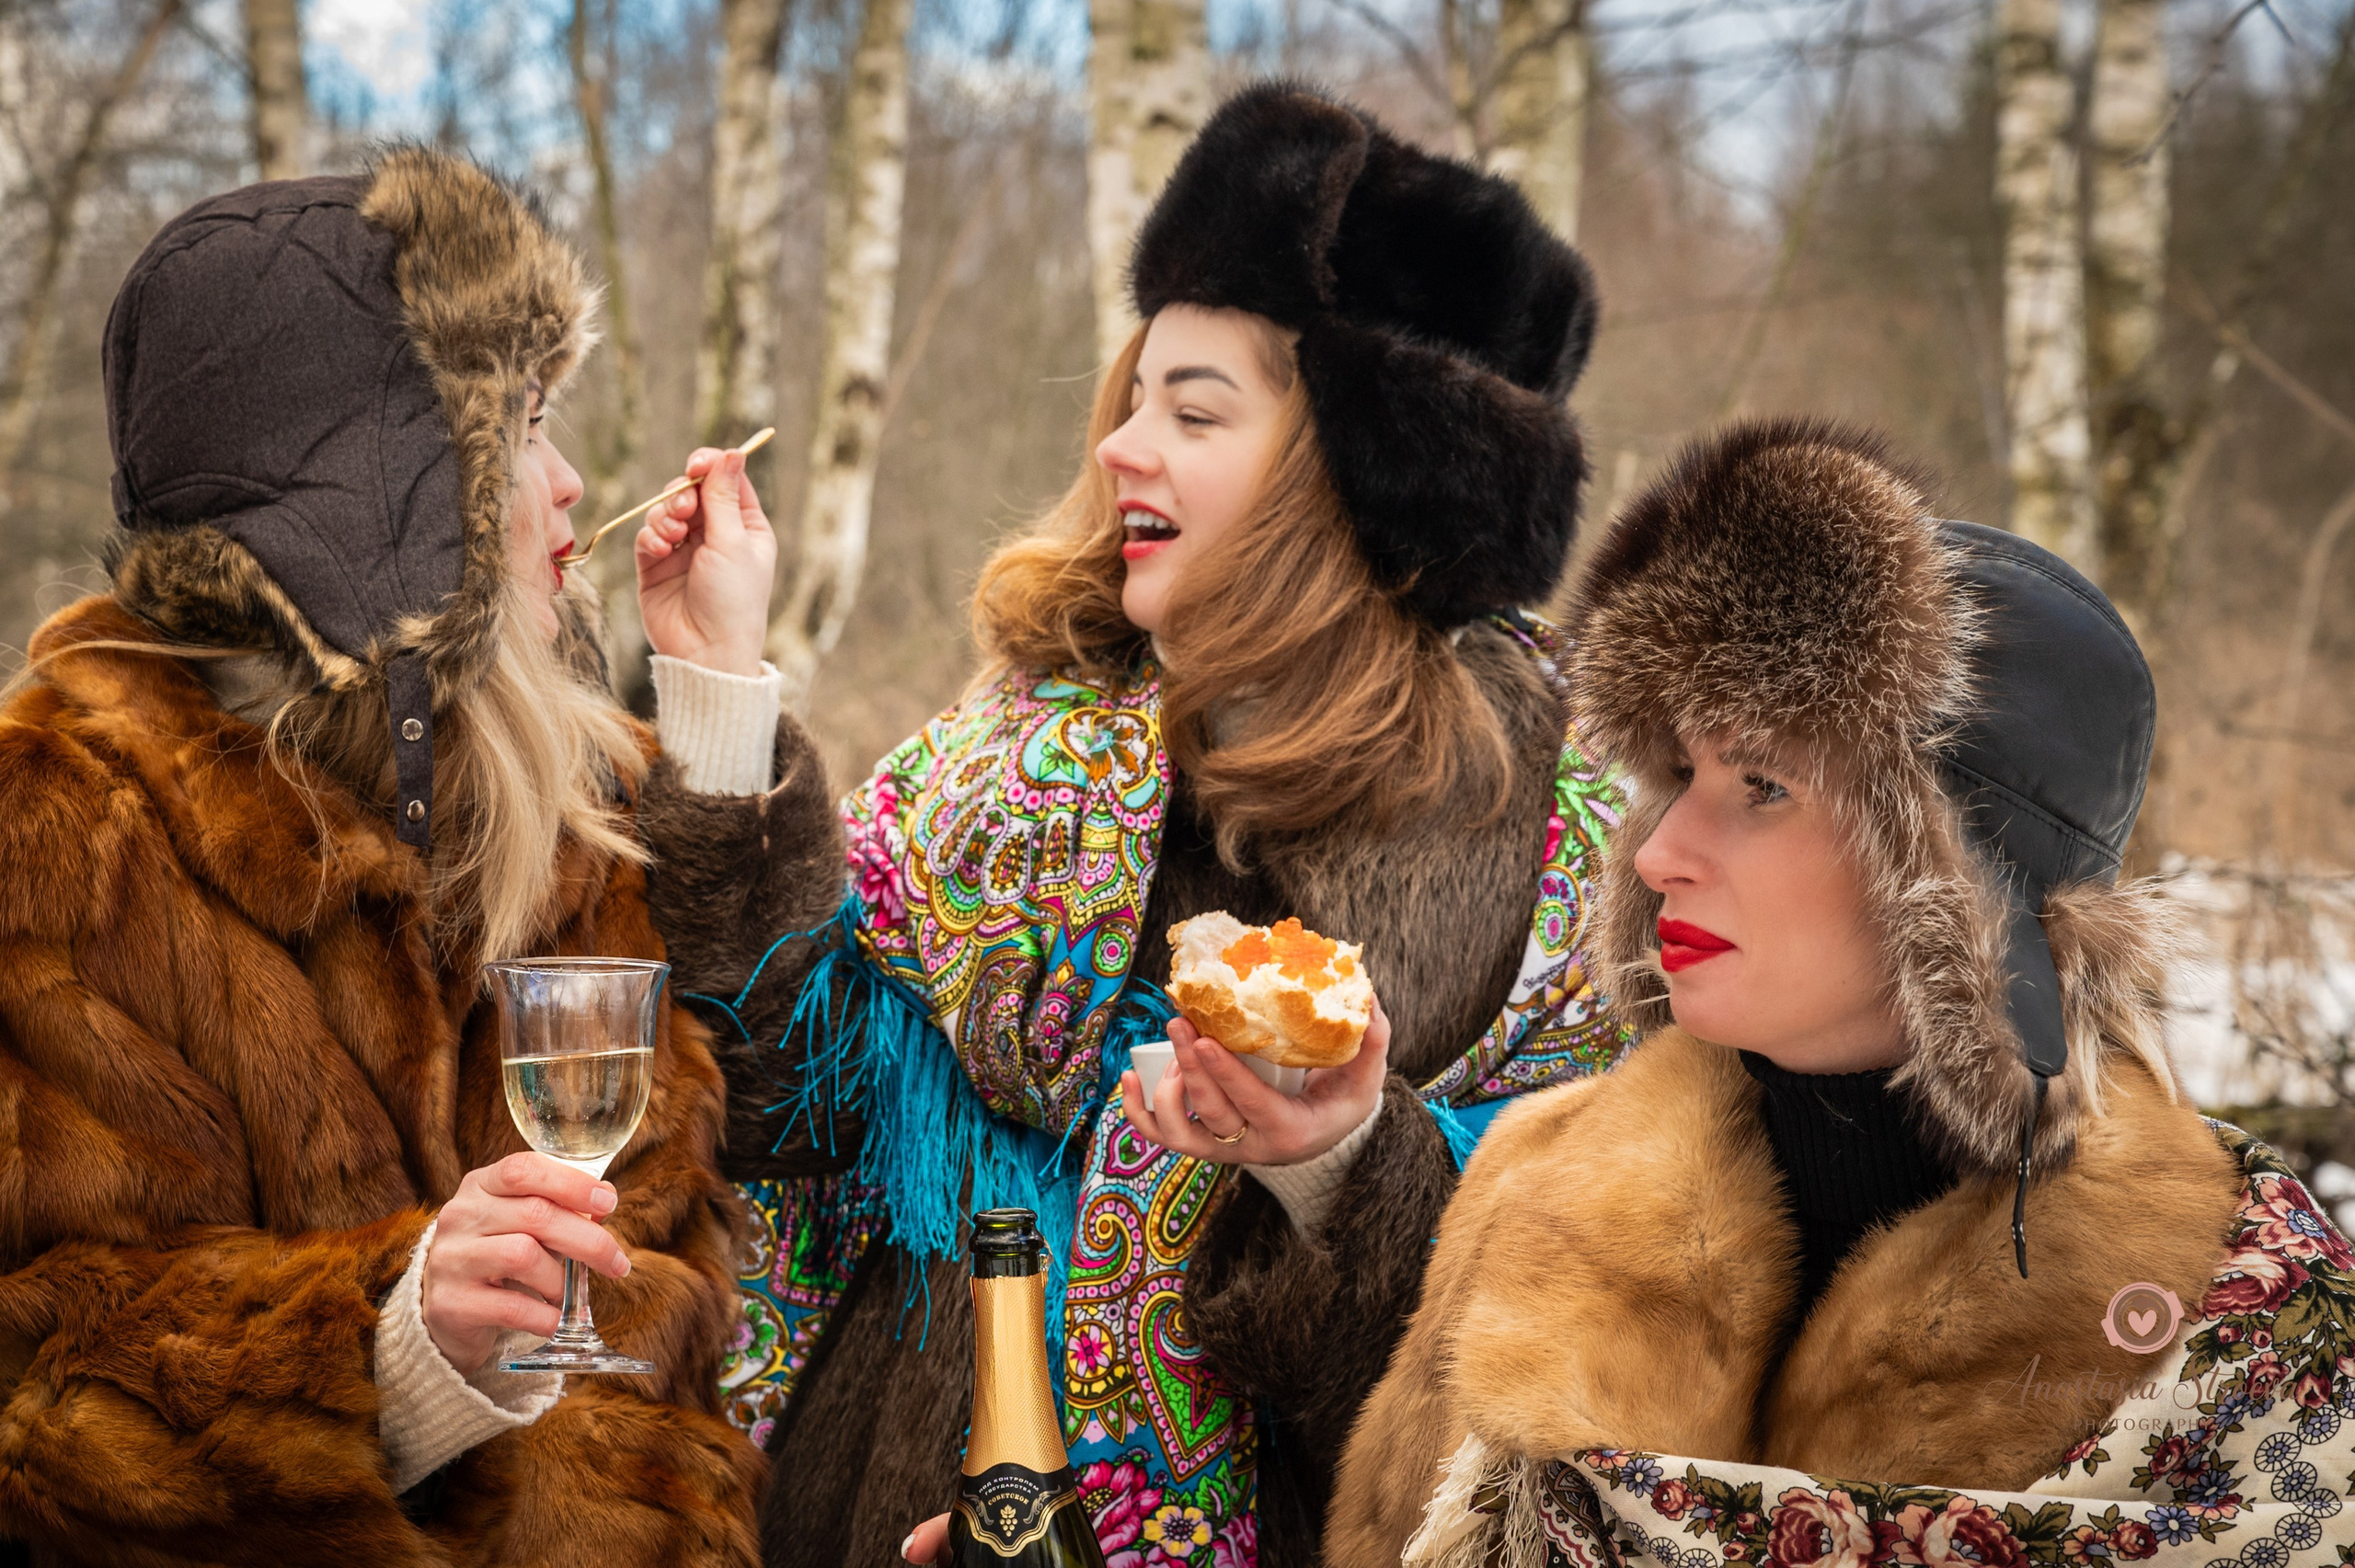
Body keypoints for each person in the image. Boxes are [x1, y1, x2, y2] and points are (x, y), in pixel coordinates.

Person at [632, 81, 1630, 1568]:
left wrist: (1336, 1165)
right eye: (1135, 394)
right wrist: (717, 683)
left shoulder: (1560, 869)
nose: (1118, 448)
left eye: (1194, 410)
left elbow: (1506, 1399)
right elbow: (766, 1099)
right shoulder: (1008, 754)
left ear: (1347, 477)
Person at [1327, 420, 2355, 1568]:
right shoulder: (1540, 1184)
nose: (1658, 852)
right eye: (1682, 773)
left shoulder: (2230, 1304)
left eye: (1761, 784)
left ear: (1957, 885)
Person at [0, 149, 769, 1560]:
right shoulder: (57, 834)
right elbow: (42, 1392)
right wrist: (395, 1355)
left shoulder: (559, 805)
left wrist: (717, 693)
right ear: (377, 493)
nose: (570, 483)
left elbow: (761, 1134)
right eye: (518, 428)